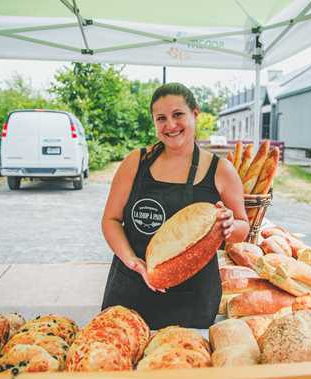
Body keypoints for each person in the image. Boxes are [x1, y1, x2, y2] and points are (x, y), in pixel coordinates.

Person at [101, 83, 249, 329]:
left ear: (195, 114)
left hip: (192, 300)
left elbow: (243, 228)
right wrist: (133, 262)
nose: (170, 125)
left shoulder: (221, 170)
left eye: (178, 114)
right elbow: (111, 220)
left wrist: (229, 226)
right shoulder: (136, 162)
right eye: (161, 118)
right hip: (130, 290)